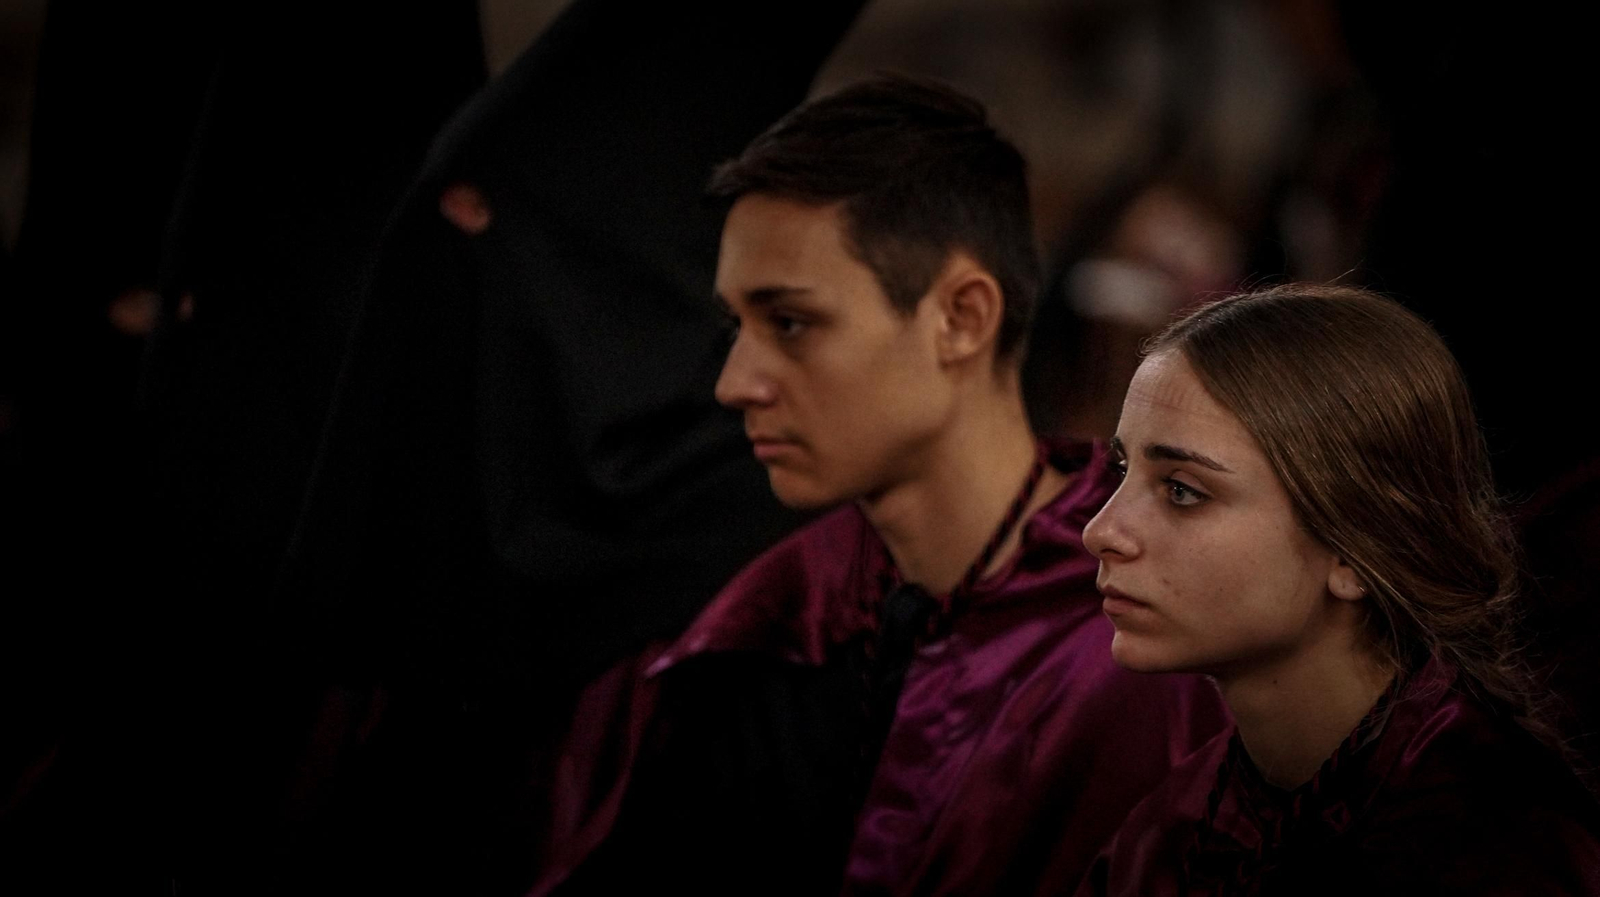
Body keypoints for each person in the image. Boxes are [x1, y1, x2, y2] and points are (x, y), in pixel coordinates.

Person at [534, 75, 1228, 896]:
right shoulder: (762, 636)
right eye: (736, 327)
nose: (735, 381)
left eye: (790, 322)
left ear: (962, 317)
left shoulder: (1161, 647)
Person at [1077, 284, 1600, 895]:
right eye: (1121, 471)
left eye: (1182, 491)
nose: (1101, 532)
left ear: (1355, 549)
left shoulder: (1499, 849)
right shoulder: (1167, 833)